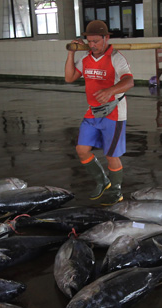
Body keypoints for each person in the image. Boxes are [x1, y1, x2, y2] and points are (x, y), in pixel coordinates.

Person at [64, 20, 134, 205]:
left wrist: (110, 91)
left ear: (106, 38)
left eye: (96, 41)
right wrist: (71, 53)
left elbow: (129, 81)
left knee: (111, 155)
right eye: (90, 41)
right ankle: (103, 181)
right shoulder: (86, 59)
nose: (93, 45)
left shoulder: (116, 58)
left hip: (114, 112)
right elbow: (69, 77)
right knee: (82, 149)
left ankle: (116, 190)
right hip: (93, 112)